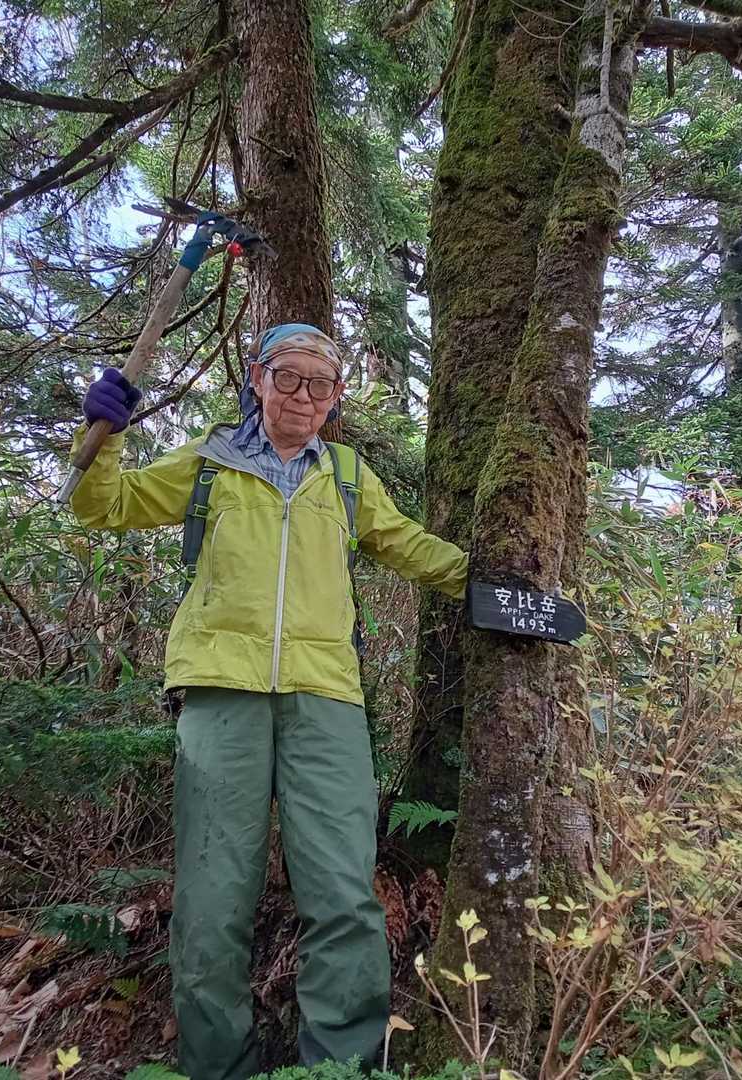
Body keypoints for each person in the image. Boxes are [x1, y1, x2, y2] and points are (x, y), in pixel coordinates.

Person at [69, 323, 467, 1080]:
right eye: (288, 377)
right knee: (212, 900)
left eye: (321, 384)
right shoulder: (211, 462)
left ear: (336, 396)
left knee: (343, 893)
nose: (304, 396)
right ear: (257, 379)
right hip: (221, 693)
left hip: (326, 698)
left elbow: (408, 545)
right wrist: (106, 434)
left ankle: (337, 1069)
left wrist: (487, 584)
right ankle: (220, 1066)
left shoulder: (345, 475)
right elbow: (105, 505)